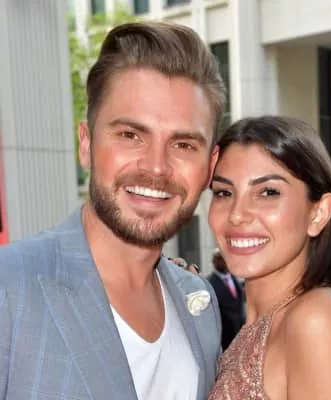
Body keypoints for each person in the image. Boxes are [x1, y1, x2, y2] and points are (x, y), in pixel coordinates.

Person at [0, 21, 226, 400]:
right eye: (130, 135)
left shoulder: (199, 303)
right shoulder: (10, 288)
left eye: (183, 145)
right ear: (86, 144)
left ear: (210, 165)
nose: (156, 167)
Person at [207, 116, 331, 400]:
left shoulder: (315, 318)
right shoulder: (257, 326)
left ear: (318, 213)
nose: (237, 214)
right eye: (224, 192)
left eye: (268, 192)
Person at [207, 249, 245, 350]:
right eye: (221, 259)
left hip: (239, 333)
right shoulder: (209, 283)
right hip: (223, 336)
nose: (224, 262)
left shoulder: (235, 279)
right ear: (214, 262)